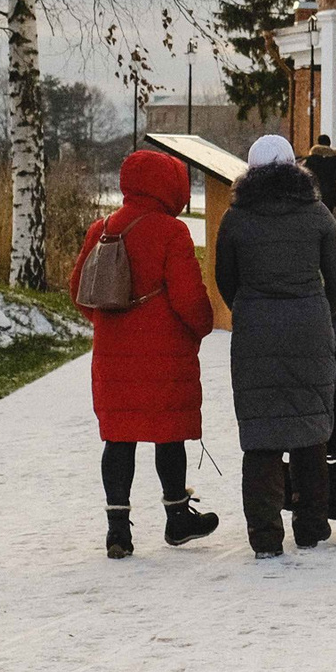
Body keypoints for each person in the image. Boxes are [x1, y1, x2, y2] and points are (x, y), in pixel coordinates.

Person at [70, 148, 221, 559]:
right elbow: (190, 300)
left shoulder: (100, 228)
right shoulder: (172, 233)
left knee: (118, 437)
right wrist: (202, 326)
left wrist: (109, 322)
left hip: (112, 354)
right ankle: (177, 519)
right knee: (168, 434)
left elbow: (79, 292)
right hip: (165, 353)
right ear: (169, 186)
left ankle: (118, 530)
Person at [214, 133, 336, 557]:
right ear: (295, 167)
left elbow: (224, 279)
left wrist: (248, 308)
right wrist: (317, 309)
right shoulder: (317, 214)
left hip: (255, 330)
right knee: (311, 431)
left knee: (260, 437)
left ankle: (266, 537)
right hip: (309, 326)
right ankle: (310, 528)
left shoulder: (236, 218)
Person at [303, 132, 336, 205]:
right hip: (331, 189)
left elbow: (307, 173)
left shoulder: (312, 158)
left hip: (316, 189)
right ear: (329, 143)